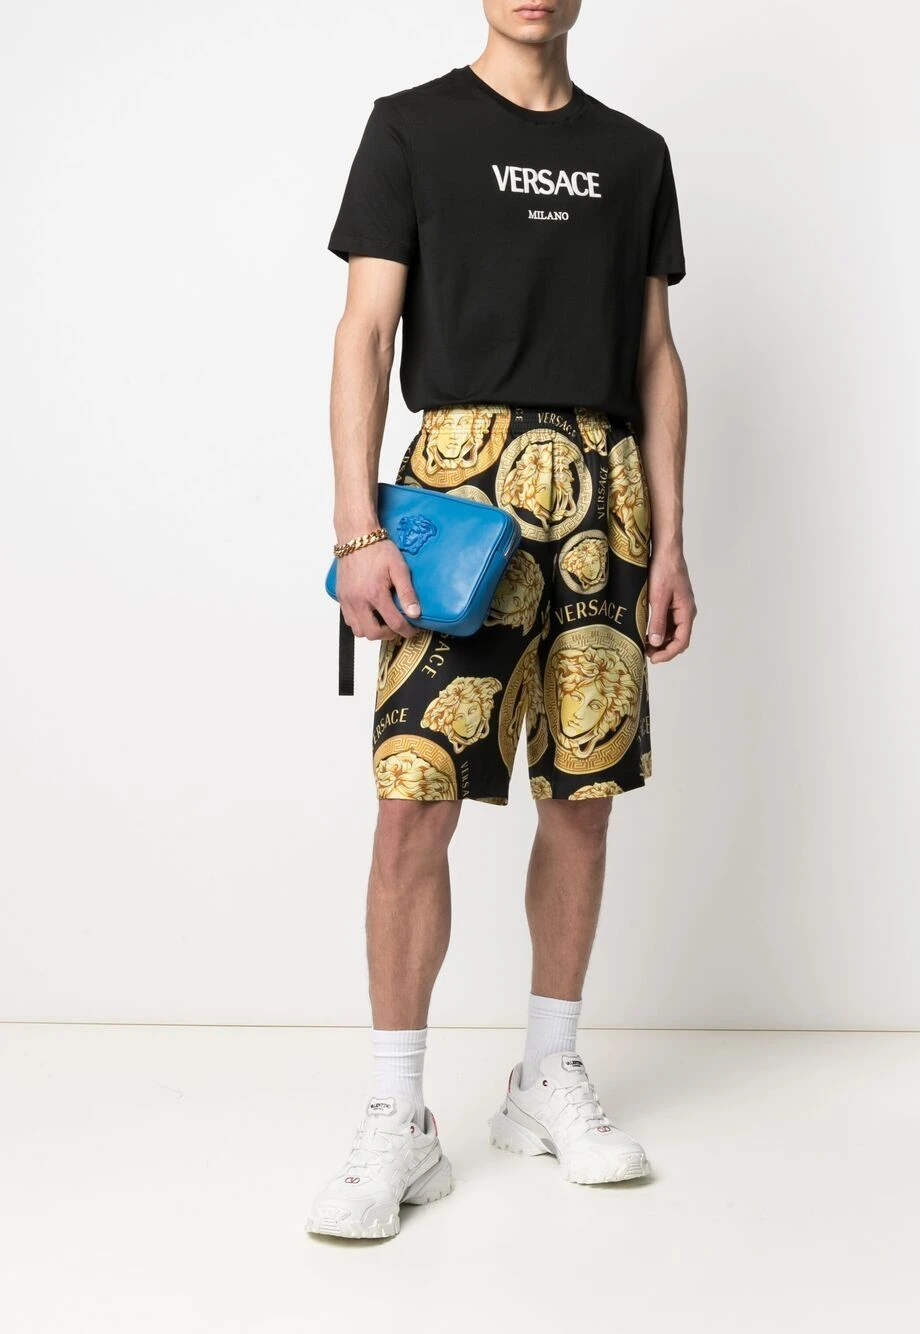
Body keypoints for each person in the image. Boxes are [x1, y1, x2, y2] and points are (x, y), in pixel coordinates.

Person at [306, 0, 695, 1240]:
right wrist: (356, 527)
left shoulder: (633, 153)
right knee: (413, 794)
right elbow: (366, 330)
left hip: (605, 493)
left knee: (581, 794)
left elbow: (654, 352)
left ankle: (546, 1072)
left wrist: (670, 540)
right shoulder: (410, 129)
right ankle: (398, 1112)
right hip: (457, 493)